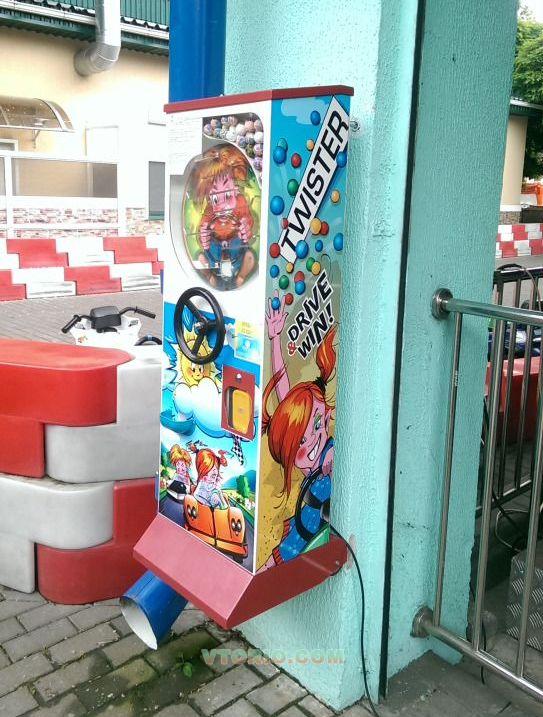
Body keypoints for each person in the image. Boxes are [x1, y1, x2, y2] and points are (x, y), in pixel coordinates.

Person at [262, 294, 336, 564]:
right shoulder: (302, 447)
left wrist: (332, 458)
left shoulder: (329, 453)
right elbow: (285, 398)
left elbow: (288, 400)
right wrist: (274, 340)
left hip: (312, 528)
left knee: (279, 558)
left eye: (316, 424)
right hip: (306, 524)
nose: (313, 439)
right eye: (300, 442)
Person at [194, 145, 256, 287]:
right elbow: (202, 227)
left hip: (236, 248)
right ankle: (210, 276)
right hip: (215, 251)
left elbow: (248, 221)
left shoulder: (240, 201)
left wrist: (245, 229)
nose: (222, 207)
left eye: (227, 196)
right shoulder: (210, 209)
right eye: (216, 199)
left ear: (235, 189)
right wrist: (203, 236)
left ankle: (240, 277)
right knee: (200, 258)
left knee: (250, 257)